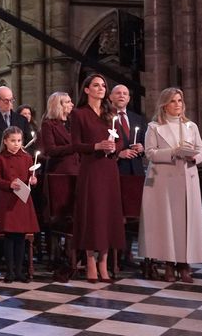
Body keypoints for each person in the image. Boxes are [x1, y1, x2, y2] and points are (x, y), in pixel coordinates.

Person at [138, 87, 202, 283]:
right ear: (164, 104)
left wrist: (196, 157)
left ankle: (184, 265)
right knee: (167, 222)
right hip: (164, 181)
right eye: (173, 101)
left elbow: (201, 150)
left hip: (187, 177)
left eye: (180, 101)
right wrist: (172, 152)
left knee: (186, 221)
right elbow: (150, 153)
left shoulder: (191, 126)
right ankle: (168, 263)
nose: (178, 105)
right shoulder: (154, 127)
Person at [70, 74, 125, 283]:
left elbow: (120, 141)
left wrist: (114, 147)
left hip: (109, 168)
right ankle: (90, 262)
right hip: (91, 169)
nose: (101, 88)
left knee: (108, 215)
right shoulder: (79, 114)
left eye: (103, 85)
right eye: (96, 85)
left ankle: (104, 263)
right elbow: (75, 144)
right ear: (86, 90)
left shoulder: (111, 113)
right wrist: (96, 146)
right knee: (93, 214)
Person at [0, 126, 39, 283]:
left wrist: (33, 180)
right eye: (12, 141)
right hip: (7, 200)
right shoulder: (0, 158)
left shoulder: (27, 158)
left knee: (21, 237)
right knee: (9, 237)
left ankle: (19, 271)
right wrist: (9, 184)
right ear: (5, 141)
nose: (16, 144)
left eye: (19, 141)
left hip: (22, 200)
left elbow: (30, 178)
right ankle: (10, 271)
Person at [109, 85, 146, 175]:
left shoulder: (138, 118)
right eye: (118, 93)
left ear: (128, 98)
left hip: (137, 170)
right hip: (115, 169)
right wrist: (118, 154)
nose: (122, 95)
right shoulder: (104, 117)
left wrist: (142, 148)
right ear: (110, 97)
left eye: (125, 94)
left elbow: (146, 142)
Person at [40, 92, 80, 174]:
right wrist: (74, 147)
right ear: (58, 105)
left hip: (78, 167)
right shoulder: (48, 124)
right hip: (60, 169)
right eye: (68, 102)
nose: (72, 104)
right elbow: (50, 150)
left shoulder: (74, 122)